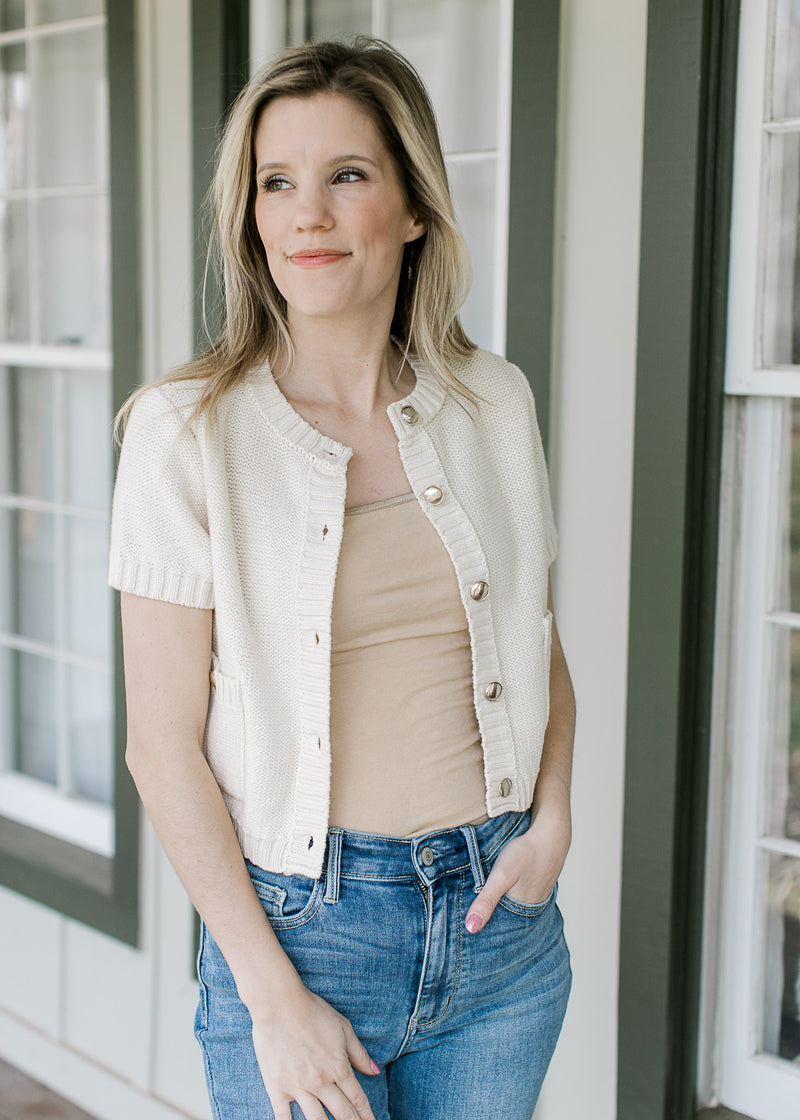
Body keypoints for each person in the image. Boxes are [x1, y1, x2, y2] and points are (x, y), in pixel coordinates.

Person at [109, 37, 574, 1120]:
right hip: (301, 935)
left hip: (499, 937)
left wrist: (550, 819)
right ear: (250, 214)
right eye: (277, 182)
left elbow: (533, 641)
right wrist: (271, 995)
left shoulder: (491, 403)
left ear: (413, 209)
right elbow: (159, 743)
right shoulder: (186, 433)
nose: (305, 214)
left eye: (346, 176)